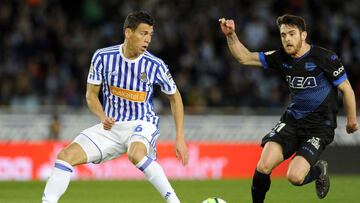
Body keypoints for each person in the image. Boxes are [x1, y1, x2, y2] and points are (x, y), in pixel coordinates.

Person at [42, 11, 189, 203]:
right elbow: (91, 95)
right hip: (111, 126)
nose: (148, 40)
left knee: (136, 154)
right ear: (128, 32)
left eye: (150, 35)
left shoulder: (155, 65)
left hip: (142, 123)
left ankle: (174, 201)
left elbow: (175, 97)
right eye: (143, 33)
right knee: (64, 156)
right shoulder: (103, 57)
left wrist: (180, 138)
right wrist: (103, 116)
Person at [219, 14, 358, 202]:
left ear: (303, 35)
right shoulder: (281, 57)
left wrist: (351, 120)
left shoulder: (325, 58)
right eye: (283, 35)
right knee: (264, 165)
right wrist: (231, 35)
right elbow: (245, 58)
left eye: (292, 34)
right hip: (292, 121)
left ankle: (318, 170)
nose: (287, 39)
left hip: (319, 127)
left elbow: (347, 89)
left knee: (295, 177)